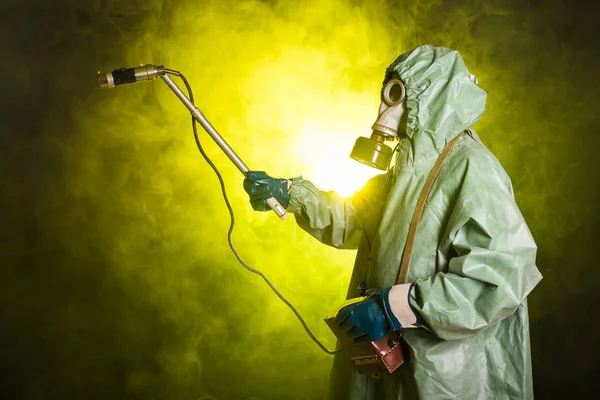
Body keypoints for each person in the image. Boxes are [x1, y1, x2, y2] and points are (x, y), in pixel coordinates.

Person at [243, 45, 542, 400]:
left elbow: (500, 277)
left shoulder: (470, 167)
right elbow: (353, 218)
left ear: (429, 94)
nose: (386, 107)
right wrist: (292, 193)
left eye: (397, 93)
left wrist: (396, 307)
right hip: (383, 366)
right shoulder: (405, 170)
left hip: (443, 377)